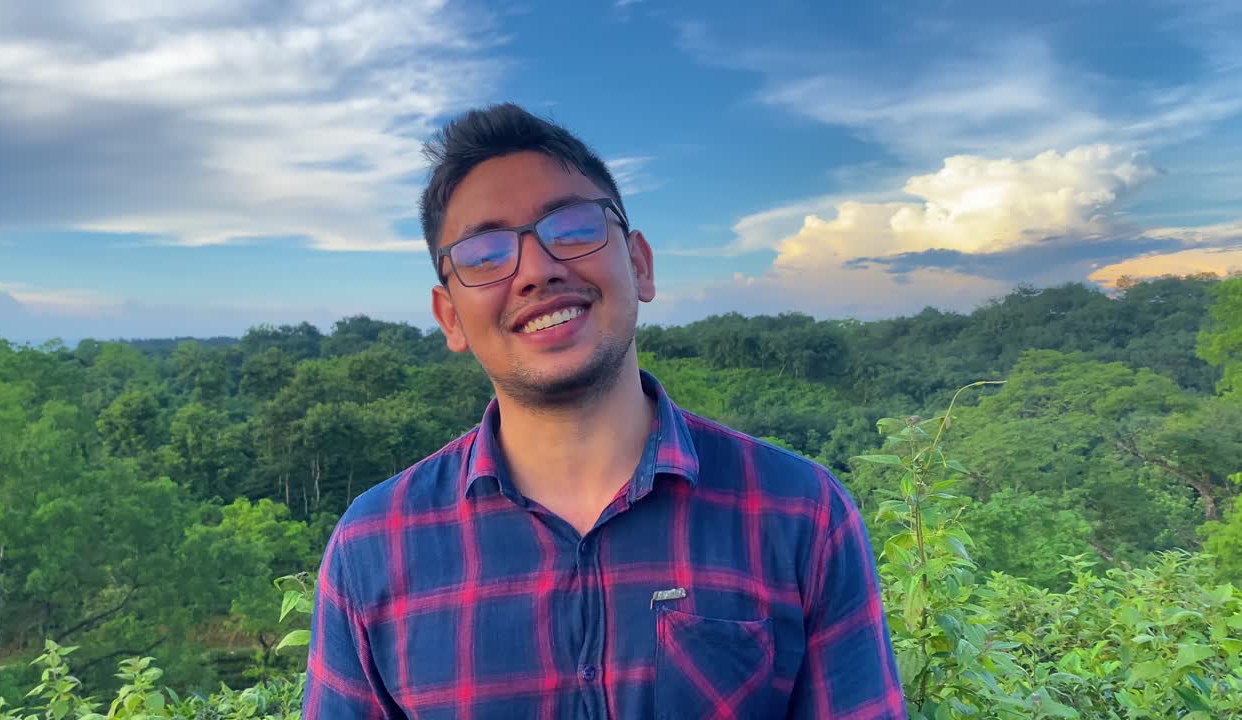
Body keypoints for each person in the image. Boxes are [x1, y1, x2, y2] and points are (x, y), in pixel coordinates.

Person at [301, 103, 906, 719]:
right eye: (484, 254)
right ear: (450, 315)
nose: (537, 270)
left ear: (639, 264)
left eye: (571, 228)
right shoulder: (374, 545)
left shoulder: (799, 512)